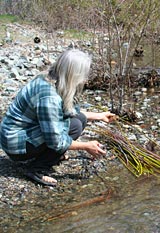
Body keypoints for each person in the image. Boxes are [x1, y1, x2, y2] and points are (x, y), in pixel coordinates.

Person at [0, 49, 115, 186]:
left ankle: (50, 156)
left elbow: (70, 111)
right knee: (74, 127)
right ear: (73, 75)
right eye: (83, 75)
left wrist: (100, 116)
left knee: (80, 120)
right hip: (16, 143)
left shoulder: (49, 78)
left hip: (22, 133)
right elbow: (55, 140)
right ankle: (37, 169)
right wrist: (85, 146)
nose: (85, 79)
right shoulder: (49, 97)